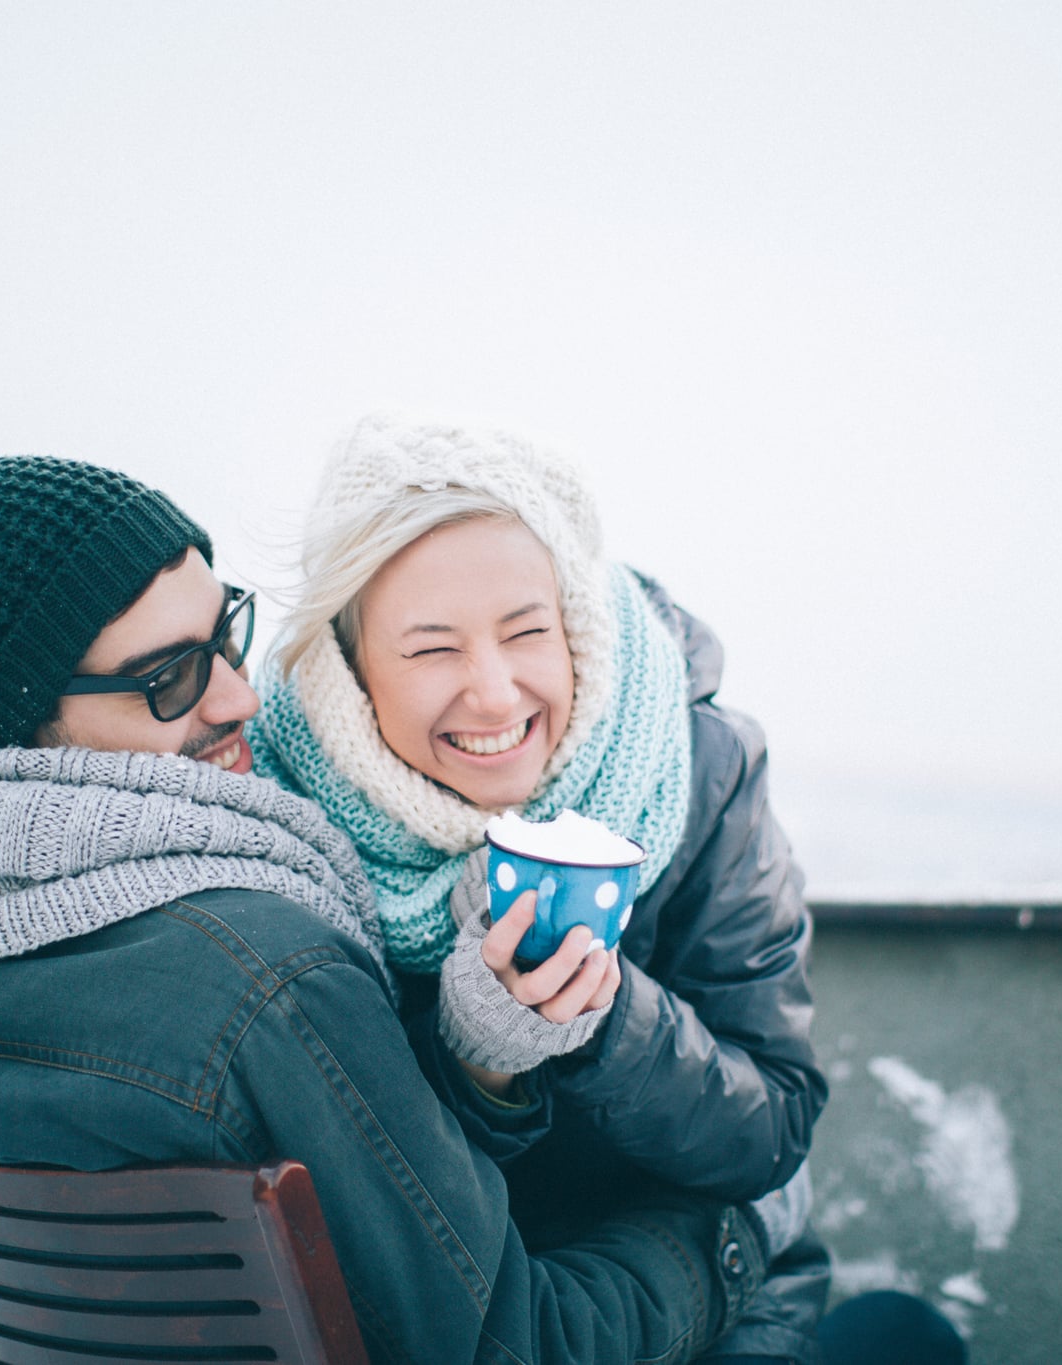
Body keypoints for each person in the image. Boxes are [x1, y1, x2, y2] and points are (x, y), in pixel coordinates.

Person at [0, 445, 771, 1364]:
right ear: (18, 728)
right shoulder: (271, 976)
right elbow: (515, 1345)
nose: (238, 696)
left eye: (227, 631)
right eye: (168, 678)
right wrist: (729, 1240)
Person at [254, 415, 864, 1363]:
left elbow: (771, 1128)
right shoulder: (287, 811)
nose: (495, 694)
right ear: (351, 673)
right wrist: (476, 1061)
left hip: (705, 1282)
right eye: (431, 649)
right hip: (472, 1321)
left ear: (577, 622)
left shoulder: (694, 769)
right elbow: (366, 1200)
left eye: (526, 632)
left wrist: (606, 1018)